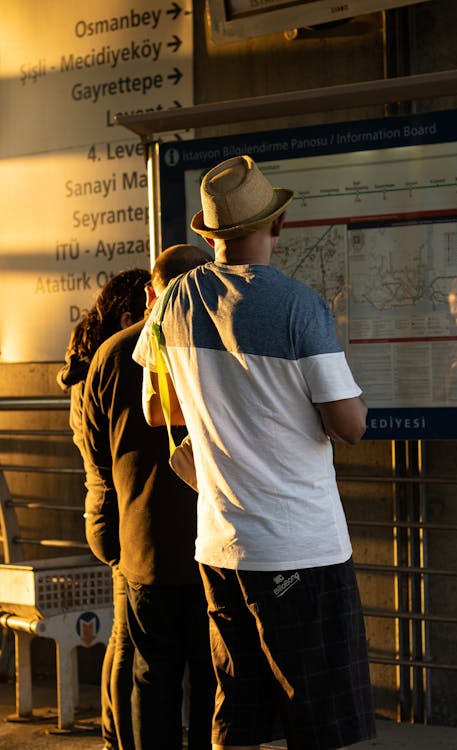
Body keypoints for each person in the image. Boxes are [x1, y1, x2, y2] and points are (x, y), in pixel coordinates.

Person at [133, 155, 377, 750]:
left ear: (210, 235)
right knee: (317, 717)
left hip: (219, 546)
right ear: (279, 224)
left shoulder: (172, 302)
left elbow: (157, 410)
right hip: (300, 547)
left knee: (237, 709)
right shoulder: (299, 305)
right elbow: (350, 426)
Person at [81, 244, 216, 750]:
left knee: (150, 676)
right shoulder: (216, 348)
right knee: (210, 679)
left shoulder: (112, 353)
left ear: (150, 291)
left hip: (141, 547)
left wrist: (109, 525)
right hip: (214, 547)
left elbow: (96, 456)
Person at [57, 267, 151, 750]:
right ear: (128, 316)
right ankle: (120, 737)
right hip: (118, 513)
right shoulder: (112, 366)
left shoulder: (89, 362)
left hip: (102, 510)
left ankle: (118, 735)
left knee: (124, 634)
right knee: (129, 639)